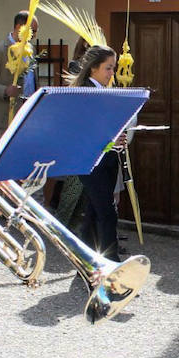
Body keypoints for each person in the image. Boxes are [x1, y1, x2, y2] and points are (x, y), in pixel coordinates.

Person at [70, 45, 123, 257]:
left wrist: (115, 139)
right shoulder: (85, 91)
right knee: (107, 213)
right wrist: (111, 139)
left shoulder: (101, 90)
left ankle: (86, 260)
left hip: (106, 158)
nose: (112, 74)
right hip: (91, 160)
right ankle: (112, 263)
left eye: (113, 68)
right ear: (93, 68)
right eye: (108, 68)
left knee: (93, 211)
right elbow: (85, 131)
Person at [0, 11, 36, 136]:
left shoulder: (31, 49)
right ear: (19, 27)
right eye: (33, 30)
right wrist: (5, 90)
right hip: (6, 115)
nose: (34, 35)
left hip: (28, 112)